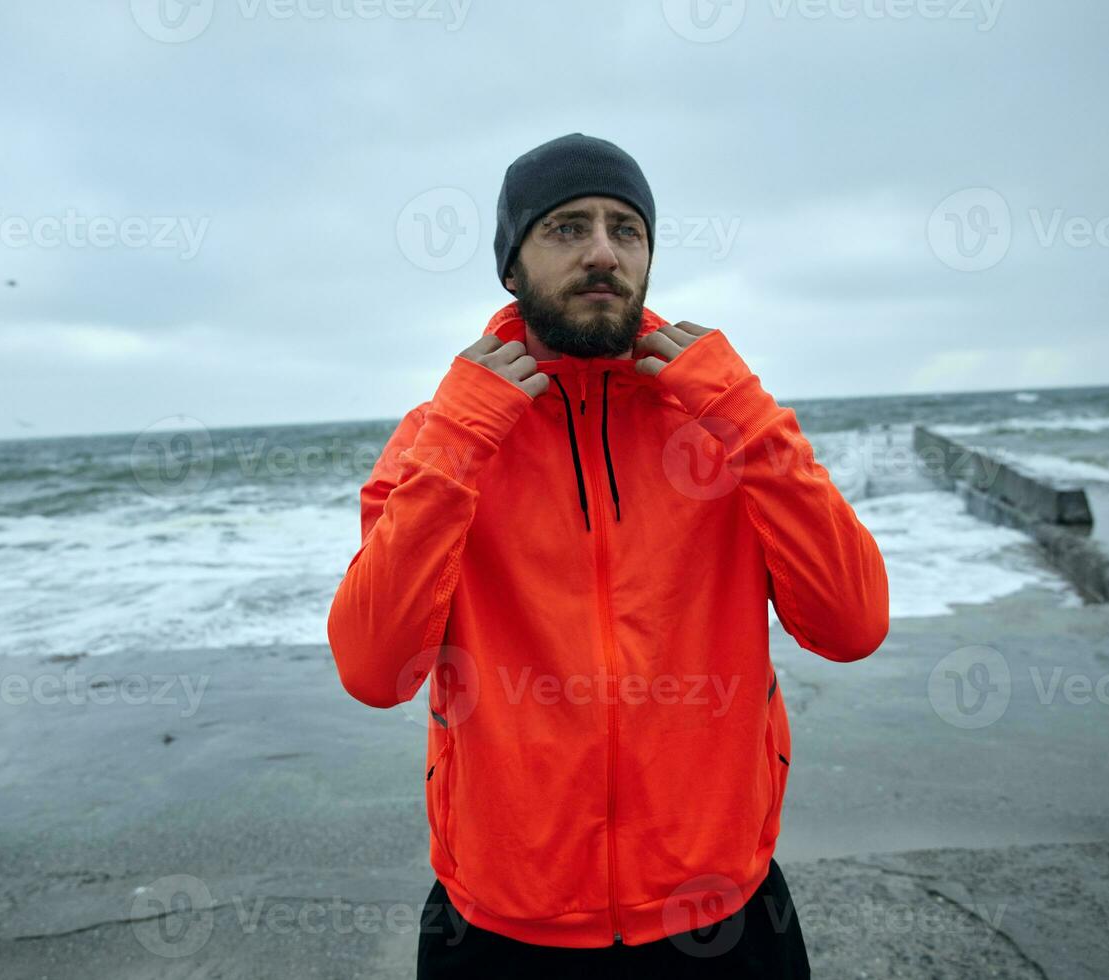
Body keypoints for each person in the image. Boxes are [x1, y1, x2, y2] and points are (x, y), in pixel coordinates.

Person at [327, 133, 889, 977]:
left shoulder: (724, 424)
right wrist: (460, 438)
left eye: (627, 229)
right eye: (565, 228)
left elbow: (851, 625)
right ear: (511, 268)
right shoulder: (437, 437)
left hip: (725, 911)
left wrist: (744, 416)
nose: (602, 252)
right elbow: (376, 671)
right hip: (501, 926)